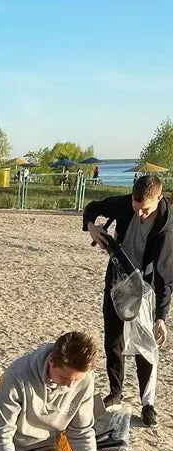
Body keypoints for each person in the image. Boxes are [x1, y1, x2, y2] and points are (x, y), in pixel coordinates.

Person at [83, 175, 173, 426]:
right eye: (136, 209)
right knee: (114, 338)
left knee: (146, 345)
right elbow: (92, 208)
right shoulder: (125, 204)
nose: (141, 214)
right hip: (117, 278)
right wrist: (91, 226)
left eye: (146, 209)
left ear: (159, 196)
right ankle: (115, 393)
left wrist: (161, 318)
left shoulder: (167, 227)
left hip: (145, 287)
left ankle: (148, 404)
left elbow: (165, 277)